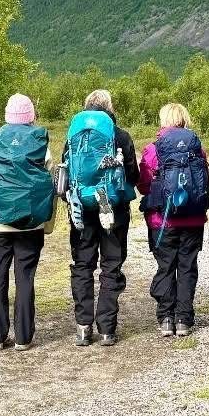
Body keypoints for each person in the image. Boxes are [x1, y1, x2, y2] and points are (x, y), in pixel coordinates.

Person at [0, 94, 56, 351]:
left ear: (7, 115)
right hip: (30, 223)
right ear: (31, 116)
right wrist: (47, 223)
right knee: (25, 277)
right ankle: (23, 338)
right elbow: (49, 186)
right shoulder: (39, 144)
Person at [67, 89, 139, 346]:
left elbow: (67, 175)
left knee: (82, 264)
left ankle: (83, 327)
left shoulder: (74, 133)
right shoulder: (120, 136)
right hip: (113, 208)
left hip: (81, 210)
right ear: (110, 109)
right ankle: (107, 328)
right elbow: (133, 175)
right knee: (111, 264)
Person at [138, 103, 209, 337]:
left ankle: (166, 319)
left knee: (166, 266)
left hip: (163, 220)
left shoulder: (153, 149)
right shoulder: (197, 147)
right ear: (184, 119)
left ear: (163, 121)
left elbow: (143, 185)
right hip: (193, 218)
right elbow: (205, 182)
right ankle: (184, 318)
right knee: (188, 267)